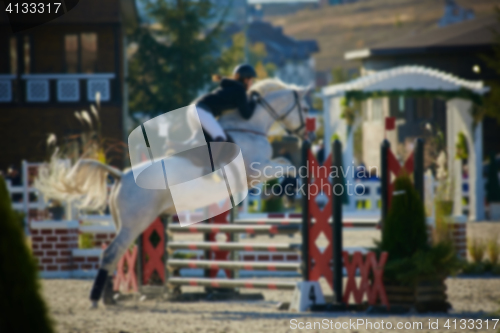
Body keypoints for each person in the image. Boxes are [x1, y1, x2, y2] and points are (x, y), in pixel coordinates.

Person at [195, 64, 259, 142]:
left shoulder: (233, 87)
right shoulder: (239, 90)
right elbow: (246, 115)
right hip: (202, 112)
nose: (252, 83)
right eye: (251, 80)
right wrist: (254, 99)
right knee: (221, 138)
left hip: (197, 110)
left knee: (206, 140)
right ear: (246, 79)